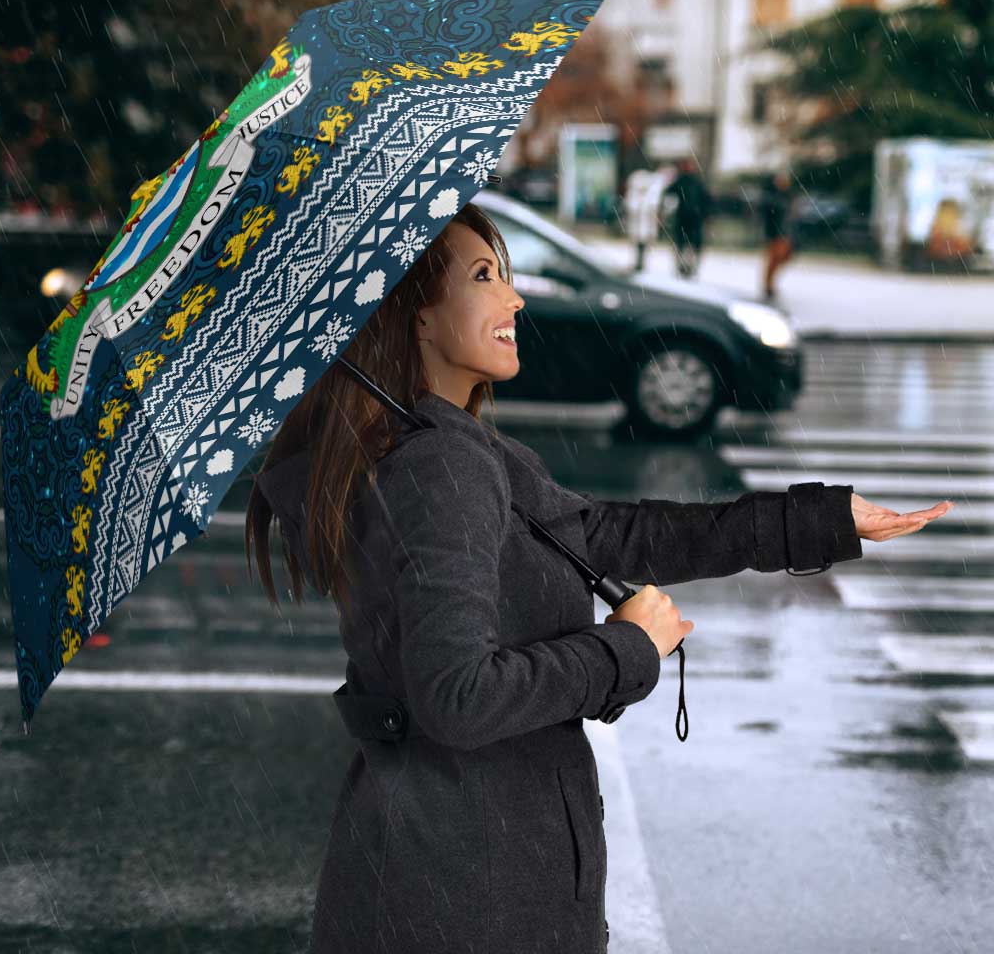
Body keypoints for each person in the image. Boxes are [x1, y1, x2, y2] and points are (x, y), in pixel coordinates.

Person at [246, 201, 949, 954]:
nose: (514, 298)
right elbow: (457, 697)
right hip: (469, 892)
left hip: (449, 870)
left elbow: (610, 535)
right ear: (416, 316)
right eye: (484, 276)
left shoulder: (446, 448)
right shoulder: (440, 466)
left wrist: (820, 520)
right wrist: (625, 649)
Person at [662, 156, 712, 279]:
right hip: (685, 218)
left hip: (693, 218)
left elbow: (706, 200)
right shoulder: (682, 181)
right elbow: (668, 194)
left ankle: (689, 267)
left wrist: (705, 214)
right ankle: (683, 267)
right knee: (683, 244)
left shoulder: (695, 182)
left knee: (690, 245)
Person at [760, 169, 796, 300]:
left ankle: (769, 284)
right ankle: (768, 285)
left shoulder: (787, 196)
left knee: (782, 258)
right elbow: (769, 216)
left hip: (784, 233)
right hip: (775, 233)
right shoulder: (772, 197)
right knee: (774, 259)